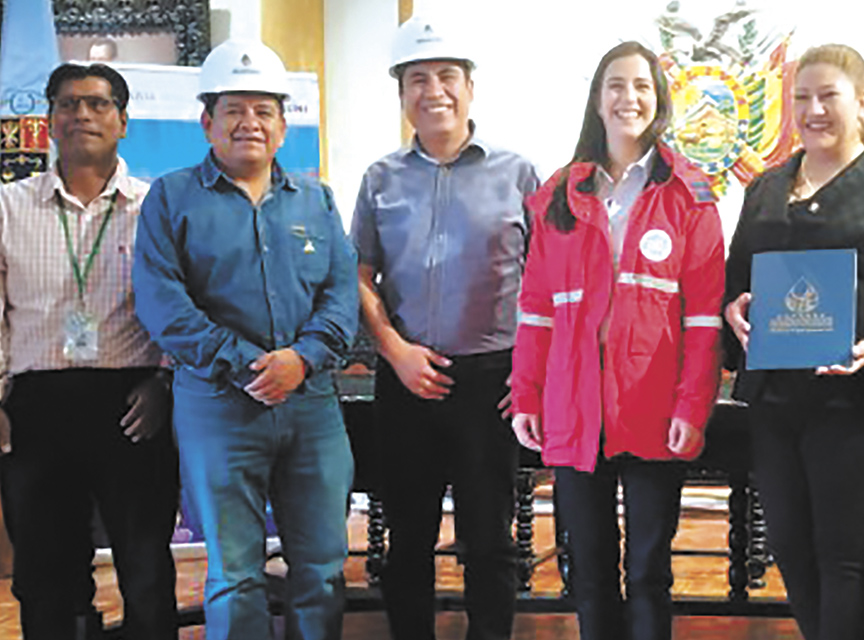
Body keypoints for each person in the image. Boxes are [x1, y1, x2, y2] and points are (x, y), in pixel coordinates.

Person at [722, 43, 864, 640]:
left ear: (863, 103)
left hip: (854, 403)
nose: (813, 109)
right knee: (790, 548)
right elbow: (737, 278)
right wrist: (735, 309)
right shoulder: (766, 188)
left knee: (841, 553)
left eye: (829, 96)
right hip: (775, 399)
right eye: (801, 97)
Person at [132, 40, 357, 640]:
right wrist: (248, 366)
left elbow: (341, 295)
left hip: (312, 407)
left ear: (284, 124)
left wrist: (303, 361)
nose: (248, 123)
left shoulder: (316, 199)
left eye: (263, 110)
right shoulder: (171, 197)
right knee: (234, 573)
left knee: (324, 568)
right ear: (207, 121)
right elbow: (162, 302)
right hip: (217, 405)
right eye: (234, 109)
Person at [509, 41, 723, 640]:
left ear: (658, 101)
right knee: (591, 570)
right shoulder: (560, 195)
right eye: (616, 86)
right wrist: (526, 394)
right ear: (597, 101)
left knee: (650, 570)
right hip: (576, 408)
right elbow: (536, 311)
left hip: (654, 407)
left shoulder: (689, 194)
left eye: (641, 87)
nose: (629, 98)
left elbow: (703, 319)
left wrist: (692, 406)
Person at [349, 16, 538, 640]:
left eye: (448, 76)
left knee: (489, 539)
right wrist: (395, 351)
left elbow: (547, 286)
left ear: (471, 88)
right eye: (418, 78)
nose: (435, 91)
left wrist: (531, 373)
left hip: (493, 382)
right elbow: (361, 277)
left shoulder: (518, 174)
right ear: (401, 93)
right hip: (406, 377)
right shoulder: (380, 179)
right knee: (408, 540)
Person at [0, 62, 178, 640]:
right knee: (44, 572)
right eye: (68, 104)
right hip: (36, 406)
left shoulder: (158, 208)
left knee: (146, 566)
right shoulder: (7, 208)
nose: (82, 114)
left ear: (123, 121)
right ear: (49, 120)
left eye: (98, 104)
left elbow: (184, 309)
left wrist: (164, 384)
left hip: (133, 405)